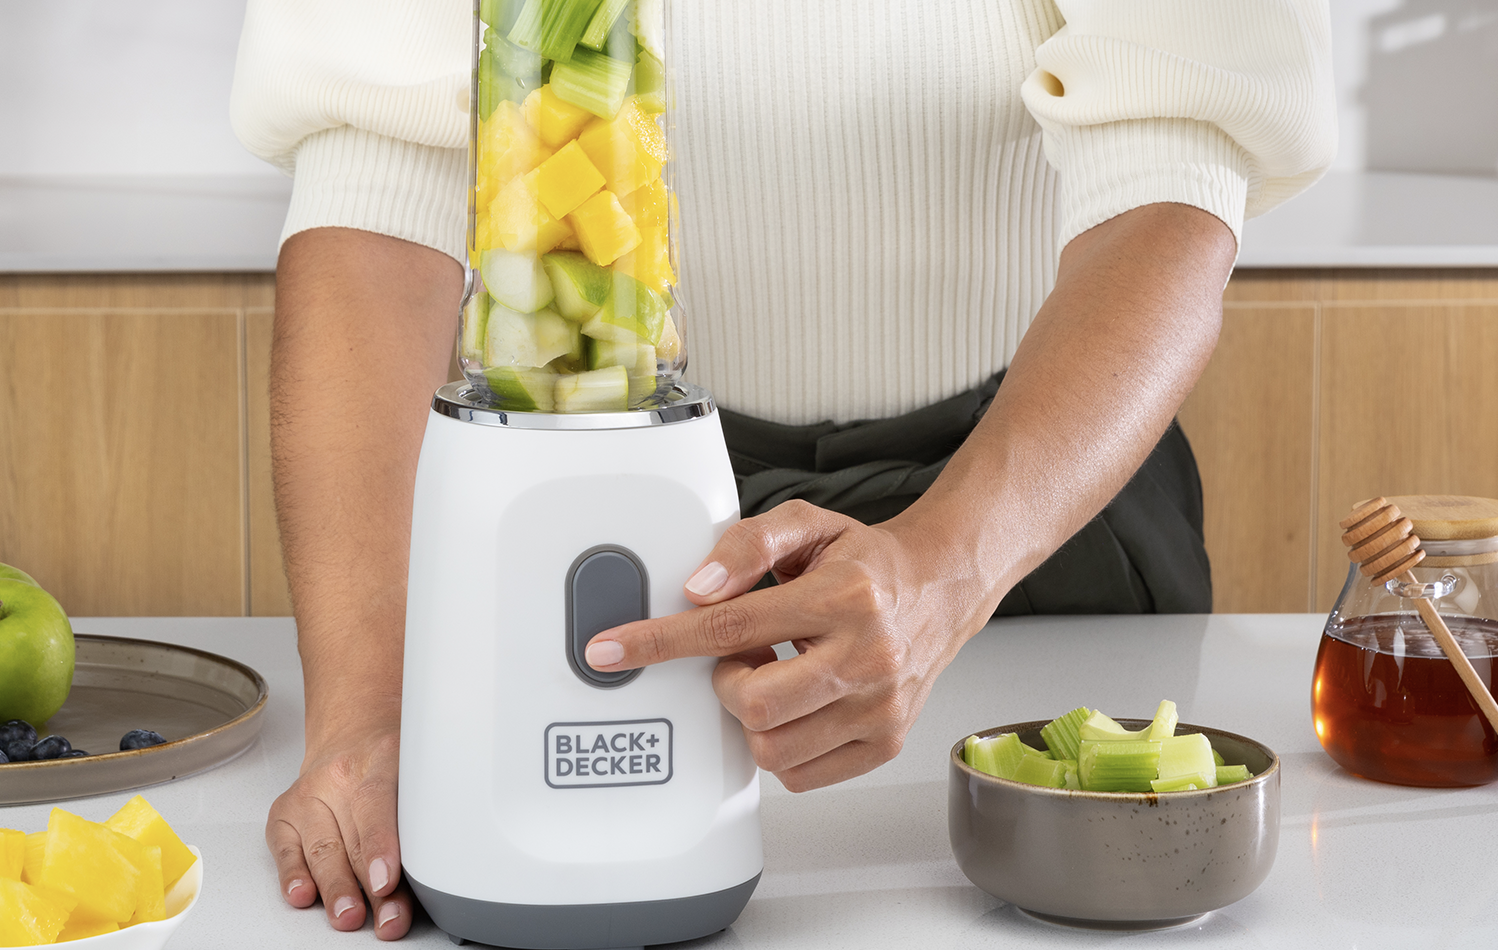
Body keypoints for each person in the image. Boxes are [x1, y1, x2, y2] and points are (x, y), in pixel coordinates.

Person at [229, 0, 1331, 938]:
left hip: (1030, 508)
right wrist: (374, 717)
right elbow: (371, 193)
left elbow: (1171, 178)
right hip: (629, 494)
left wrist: (945, 569)